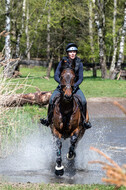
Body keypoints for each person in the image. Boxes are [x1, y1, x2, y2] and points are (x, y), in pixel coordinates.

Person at [40, 43, 92, 129]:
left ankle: (84, 121)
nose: (72, 53)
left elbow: (81, 78)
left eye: (74, 52)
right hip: (62, 87)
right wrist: (61, 84)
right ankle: (48, 120)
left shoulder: (79, 63)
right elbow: (56, 75)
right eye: (70, 52)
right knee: (52, 100)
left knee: (83, 101)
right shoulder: (62, 62)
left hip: (74, 87)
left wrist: (74, 86)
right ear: (67, 53)